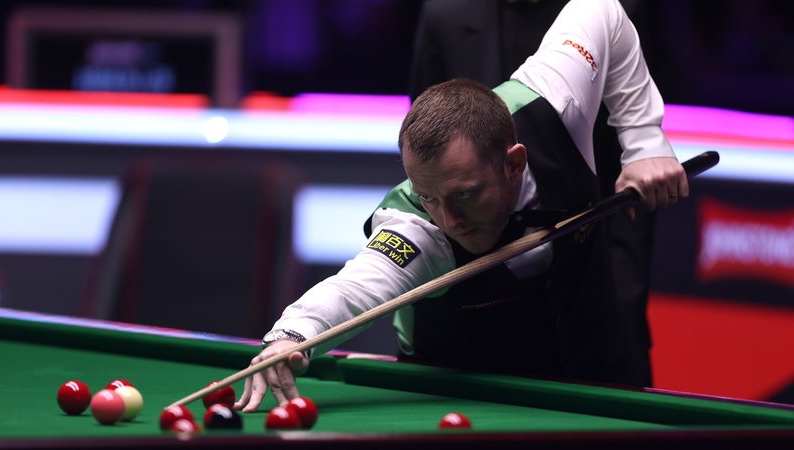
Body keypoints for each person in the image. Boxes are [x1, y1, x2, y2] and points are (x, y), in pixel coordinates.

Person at [235, 0, 686, 412]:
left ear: (513, 164)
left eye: (465, 194)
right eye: (429, 196)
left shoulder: (554, 100)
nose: (449, 220)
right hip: (456, 388)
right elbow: (357, 287)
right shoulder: (416, 226)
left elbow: (602, 11)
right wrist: (291, 336)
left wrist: (644, 141)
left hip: (592, 363)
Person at [408, 0, 657, 386]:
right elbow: (427, 155)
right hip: (487, 297)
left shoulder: (603, 13)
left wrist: (618, 311)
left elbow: (625, 169)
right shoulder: (445, 14)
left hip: (591, 277)